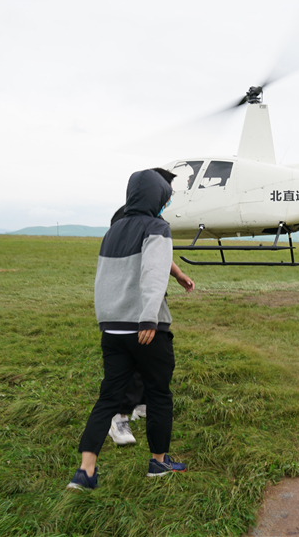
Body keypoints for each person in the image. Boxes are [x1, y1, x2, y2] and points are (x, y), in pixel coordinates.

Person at [67, 169, 186, 490]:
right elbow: (153, 272)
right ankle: (159, 463)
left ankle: (86, 470)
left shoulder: (114, 230)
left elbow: (105, 279)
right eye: (166, 196)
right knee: (159, 396)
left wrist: (107, 320)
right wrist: (148, 317)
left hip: (112, 329)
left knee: (107, 398)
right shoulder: (157, 226)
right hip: (148, 329)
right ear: (156, 197)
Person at [105, 168, 195, 447]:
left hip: (150, 299)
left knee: (153, 357)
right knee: (132, 361)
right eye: (166, 192)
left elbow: (156, 255)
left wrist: (178, 274)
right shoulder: (125, 218)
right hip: (131, 303)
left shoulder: (153, 218)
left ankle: (143, 403)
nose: (169, 199)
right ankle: (119, 417)